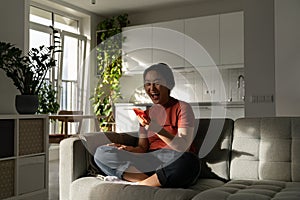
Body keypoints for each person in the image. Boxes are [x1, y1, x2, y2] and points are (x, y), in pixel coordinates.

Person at [94, 63, 200, 188]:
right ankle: (151, 182)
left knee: (189, 162)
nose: (152, 88)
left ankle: (140, 185)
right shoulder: (146, 114)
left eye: (157, 83)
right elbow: (142, 148)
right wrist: (126, 148)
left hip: (174, 159)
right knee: (101, 153)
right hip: (149, 160)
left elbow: (183, 147)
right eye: (148, 84)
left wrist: (157, 129)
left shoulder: (182, 108)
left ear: (169, 84)